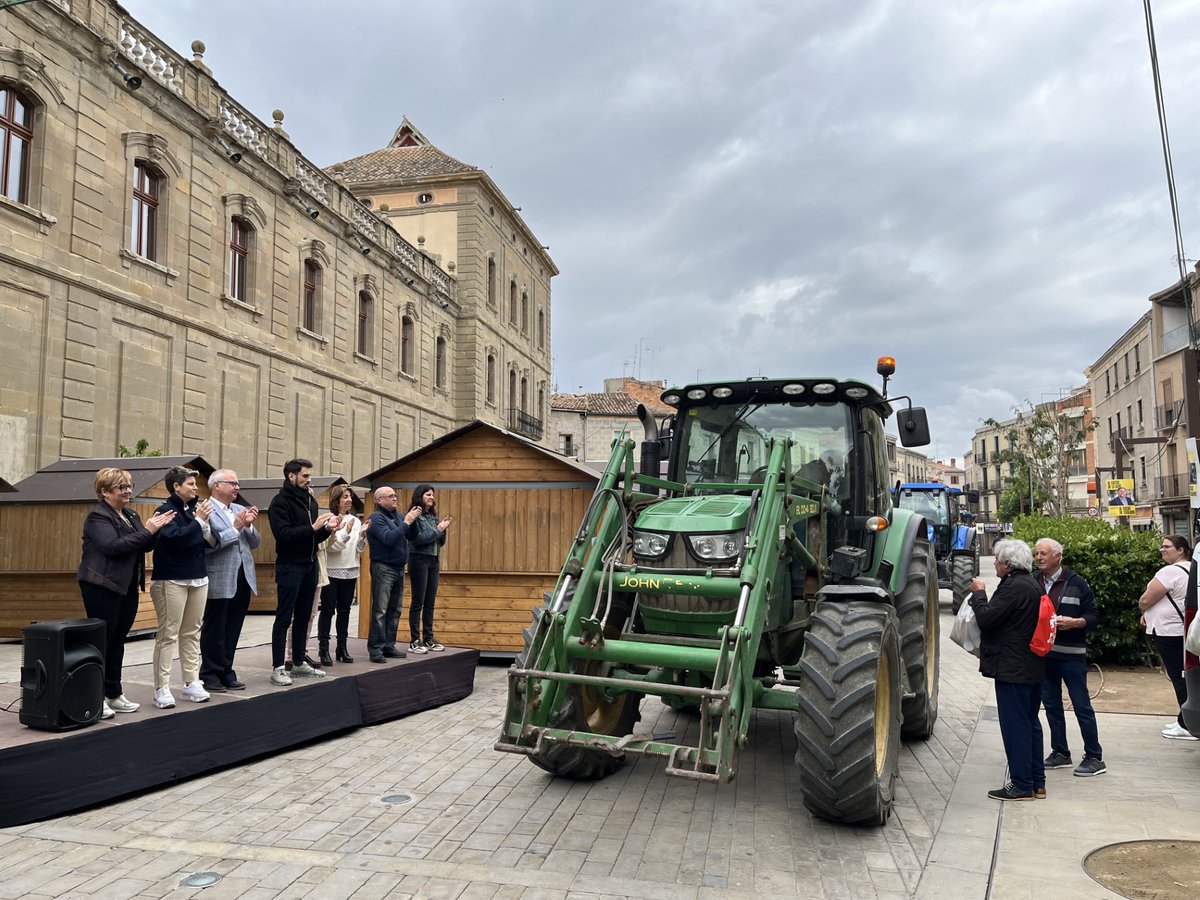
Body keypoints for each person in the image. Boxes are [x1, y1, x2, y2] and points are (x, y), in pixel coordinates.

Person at [77, 467, 174, 718]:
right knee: (103, 642)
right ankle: (95, 698)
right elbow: (113, 546)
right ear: (105, 492)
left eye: (129, 486)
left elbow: (144, 544)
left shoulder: (130, 514)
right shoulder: (98, 516)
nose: (128, 490)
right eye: (122, 487)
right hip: (102, 585)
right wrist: (148, 530)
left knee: (118, 640)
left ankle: (114, 693)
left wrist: (158, 529)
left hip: (126, 585)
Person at [968, 539, 1046, 801]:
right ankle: (1037, 782)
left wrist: (979, 594)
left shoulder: (1013, 587)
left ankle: (1022, 784)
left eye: (997, 560)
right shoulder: (1031, 584)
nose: (994, 564)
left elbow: (987, 618)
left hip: (1013, 668)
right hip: (1029, 665)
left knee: (1016, 727)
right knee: (1030, 723)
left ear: (1008, 564)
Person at [1034, 538, 1106, 776]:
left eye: (1043, 553)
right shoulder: (1034, 582)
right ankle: (1060, 753)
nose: (1039, 558)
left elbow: (1094, 616)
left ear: (1058, 556)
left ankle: (1094, 757)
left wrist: (1076, 622)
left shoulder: (1077, 583)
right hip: (1045, 656)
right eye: (1036, 554)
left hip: (1072, 657)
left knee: (1081, 706)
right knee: (1051, 706)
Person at [149, 466, 217, 709]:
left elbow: (210, 542)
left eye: (195, 484)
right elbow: (175, 539)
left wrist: (204, 523)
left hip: (198, 577)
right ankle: (161, 688)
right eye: (190, 484)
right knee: (168, 633)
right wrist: (198, 521)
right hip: (171, 579)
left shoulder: (196, 509)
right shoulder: (165, 510)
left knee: (192, 632)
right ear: (176, 486)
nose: (195, 488)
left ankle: (191, 682)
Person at [267, 458, 338, 686]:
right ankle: (278, 667)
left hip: (310, 565)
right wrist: (313, 527)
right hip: (290, 566)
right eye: (305, 476)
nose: (309, 479)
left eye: (309, 475)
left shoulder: (310, 500)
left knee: (304, 616)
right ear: (291, 476)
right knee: (284, 618)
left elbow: (313, 538)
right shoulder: (279, 502)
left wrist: (327, 530)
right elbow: (283, 535)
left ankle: (298, 662)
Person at [200, 469, 260, 693]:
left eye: (237, 484)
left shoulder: (238, 509)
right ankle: (210, 674)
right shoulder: (206, 509)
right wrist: (235, 527)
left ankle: (227, 671)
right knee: (215, 628)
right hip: (220, 576)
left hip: (243, 575)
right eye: (232, 483)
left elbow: (254, 543)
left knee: (233, 627)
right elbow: (211, 544)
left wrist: (249, 525)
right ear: (217, 485)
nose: (237, 487)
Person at [1138, 535, 1198, 741]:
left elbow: (1146, 599)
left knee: (1179, 678)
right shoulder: (1192, 569)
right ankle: (1184, 718)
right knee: (1186, 676)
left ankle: (1188, 725)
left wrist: (1143, 607)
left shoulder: (1170, 571)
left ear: (1180, 550)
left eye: (1167, 546)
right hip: (1183, 631)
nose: (1162, 550)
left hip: (1168, 632)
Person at [365, 485, 420, 663]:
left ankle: (389, 646)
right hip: (383, 568)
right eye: (390, 496)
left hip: (398, 568)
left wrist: (413, 519)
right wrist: (406, 523)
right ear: (379, 500)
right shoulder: (376, 518)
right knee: (380, 611)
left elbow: (413, 536)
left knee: (395, 610)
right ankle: (376, 649)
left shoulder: (399, 516)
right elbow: (388, 539)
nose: (395, 498)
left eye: (395, 495)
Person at [316, 485, 368, 666]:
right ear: (336, 500)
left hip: (350, 569)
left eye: (350, 497)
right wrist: (346, 532)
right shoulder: (329, 519)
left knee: (345, 611)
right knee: (328, 610)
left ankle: (342, 647)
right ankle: (323, 649)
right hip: (332, 570)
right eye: (345, 496)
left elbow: (359, 550)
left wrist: (362, 536)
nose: (349, 500)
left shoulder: (356, 520)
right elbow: (332, 547)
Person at [406, 484, 451, 654]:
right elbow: (418, 539)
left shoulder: (433, 516)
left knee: (430, 601)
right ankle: (414, 640)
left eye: (432, 495)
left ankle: (428, 638)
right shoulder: (415, 515)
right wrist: (439, 530)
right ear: (420, 496)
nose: (431, 497)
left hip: (434, 560)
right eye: (428, 495)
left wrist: (443, 531)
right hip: (419, 559)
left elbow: (440, 542)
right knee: (418, 601)